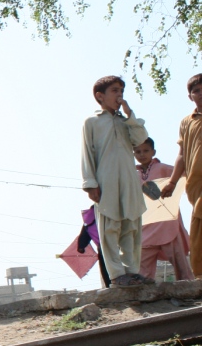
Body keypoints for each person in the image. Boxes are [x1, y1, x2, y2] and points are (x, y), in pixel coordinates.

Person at [81, 75, 153, 286]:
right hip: (106, 181)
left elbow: (140, 139)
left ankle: (132, 271)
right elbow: (87, 153)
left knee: (131, 226)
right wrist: (90, 184)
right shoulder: (92, 122)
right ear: (100, 96)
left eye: (121, 90)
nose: (119, 95)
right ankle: (116, 274)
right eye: (114, 90)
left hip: (129, 180)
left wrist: (130, 114)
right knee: (110, 228)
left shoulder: (126, 122)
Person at [132, 137, 192, 281]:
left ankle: (190, 287)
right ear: (133, 154)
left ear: (153, 152)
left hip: (167, 223)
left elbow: (185, 174)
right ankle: (145, 290)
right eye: (138, 152)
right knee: (142, 268)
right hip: (146, 224)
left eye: (146, 151)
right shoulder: (133, 175)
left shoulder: (163, 168)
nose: (142, 154)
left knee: (180, 263)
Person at [161, 74, 202, 278]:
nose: (201, 94)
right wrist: (172, 182)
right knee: (198, 227)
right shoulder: (187, 122)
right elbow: (182, 155)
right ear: (190, 96)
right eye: (197, 91)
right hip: (196, 183)